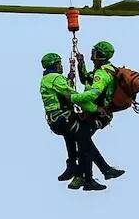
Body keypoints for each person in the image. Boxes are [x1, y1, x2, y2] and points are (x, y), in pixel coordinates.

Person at [68, 40, 125, 190]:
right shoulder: (105, 70)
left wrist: (72, 97)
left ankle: (87, 178)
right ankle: (102, 172)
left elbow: (93, 93)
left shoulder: (102, 74)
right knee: (84, 141)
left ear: (100, 55)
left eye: (94, 52)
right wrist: (81, 64)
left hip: (99, 115)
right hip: (98, 115)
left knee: (83, 141)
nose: (92, 55)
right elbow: (86, 79)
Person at [38, 52, 82, 183]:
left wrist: (68, 79)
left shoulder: (46, 79)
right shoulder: (56, 78)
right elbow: (70, 94)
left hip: (54, 120)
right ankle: (84, 172)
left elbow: (58, 93)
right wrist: (90, 102)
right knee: (83, 140)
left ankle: (71, 166)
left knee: (70, 139)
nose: (61, 66)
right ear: (55, 65)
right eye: (59, 63)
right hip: (64, 117)